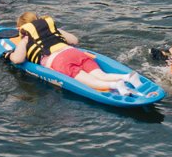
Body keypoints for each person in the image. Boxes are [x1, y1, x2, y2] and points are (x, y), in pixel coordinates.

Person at [7, 10, 143, 94]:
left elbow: (18, 59)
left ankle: (114, 85)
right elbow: (74, 40)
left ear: (21, 27)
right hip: (74, 53)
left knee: (90, 82)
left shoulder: (26, 37)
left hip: (60, 61)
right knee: (100, 74)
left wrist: (18, 47)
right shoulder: (53, 31)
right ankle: (127, 77)